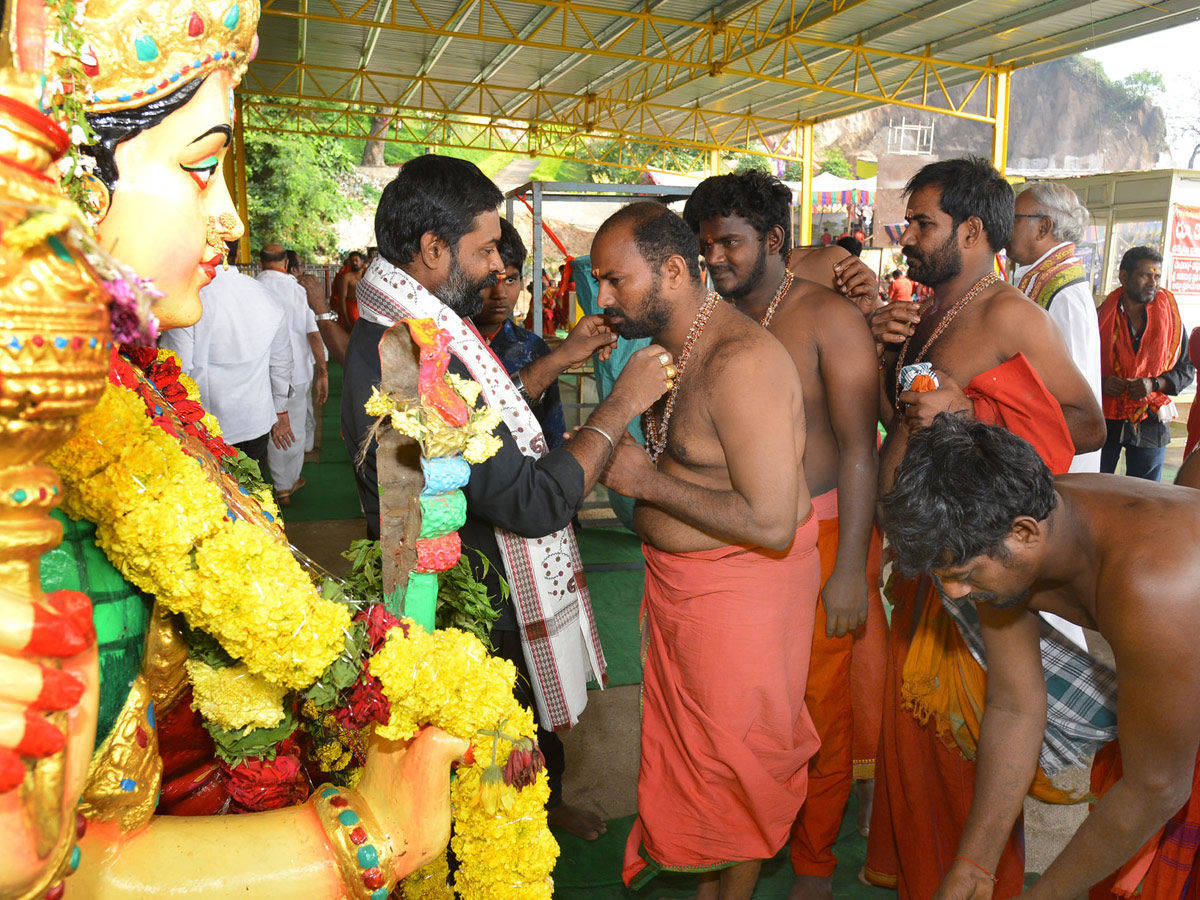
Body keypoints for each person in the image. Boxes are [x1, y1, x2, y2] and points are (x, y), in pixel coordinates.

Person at [341, 154, 671, 841]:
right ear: (432, 251)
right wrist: (619, 407)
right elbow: (532, 502)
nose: (498, 267)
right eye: (485, 249)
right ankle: (512, 838)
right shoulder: (408, 358)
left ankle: (537, 810)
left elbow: (480, 426)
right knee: (487, 761)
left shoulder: (406, 325)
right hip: (466, 600)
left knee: (514, 735)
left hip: (480, 584)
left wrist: (556, 362)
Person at [865, 156, 1106, 900]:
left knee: (964, 762)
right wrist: (883, 350)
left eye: (922, 223)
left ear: (972, 231)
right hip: (922, 562)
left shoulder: (1009, 314)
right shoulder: (931, 308)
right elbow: (900, 422)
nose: (907, 236)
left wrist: (973, 414)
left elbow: (1085, 425)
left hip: (975, 572)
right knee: (915, 763)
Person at [594, 201, 816, 900]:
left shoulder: (740, 362)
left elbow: (774, 521)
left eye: (613, 281)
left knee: (736, 762)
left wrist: (645, 481)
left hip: (742, 598)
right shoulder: (665, 355)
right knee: (704, 764)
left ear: (673, 271)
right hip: (683, 594)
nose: (602, 298)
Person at [885, 414, 1200, 900]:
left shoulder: (1152, 586)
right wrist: (975, 863)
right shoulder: (1011, 518)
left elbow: (1157, 788)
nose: (954, 591)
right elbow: (1015, 705)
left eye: (963, 573)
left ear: (1025, 533)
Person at [682, 170, 885, 900]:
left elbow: (861, 447)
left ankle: (814, 864)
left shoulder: (828, 316)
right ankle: (727, 850)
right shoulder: (707, 318)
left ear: (774, 240)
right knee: (736, 710)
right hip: (729, 538)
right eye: (706, 246)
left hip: (821, 534)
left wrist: (851, 571)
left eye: (730, 243)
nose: (716, 259)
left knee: (817, 710)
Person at [471, 219, 616, 452]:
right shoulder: (445, 341)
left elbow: (551, 433)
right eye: (489, 281)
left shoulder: (531, 348)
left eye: (511, 280)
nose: (500, 293)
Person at [159, 254, 294, 478]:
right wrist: (280, 408)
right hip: (255, 418)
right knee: (254, 495)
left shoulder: (188, 296)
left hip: (203, 422)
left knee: (213, 497)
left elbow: (176, 367)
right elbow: (281, 362)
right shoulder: (264, 295)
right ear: (238, 254)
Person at [1007, 182, 1102, 472]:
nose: (1005, 227)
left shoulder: (1065, 293)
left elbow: (1077, 404)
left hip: (1058, 464)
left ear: (1043, 227)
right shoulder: (1041, 279)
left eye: (1013, 219)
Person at [1098, 246, 1194, 481]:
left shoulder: (1172, 322)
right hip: (1105, 418)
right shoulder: (1099, 317)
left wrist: (1155, 384)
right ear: (1123, 277)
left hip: (1151, 421)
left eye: (1157, 276)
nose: (1153, 282)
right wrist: (1102, 383)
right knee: (1096, 486)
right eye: (1145, 275)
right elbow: (1079, 365)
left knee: (1145, 495)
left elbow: (1186, 371)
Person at [257, 243, 324, 503]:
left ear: (261, 263)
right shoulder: (298, 291)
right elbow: (314, 334)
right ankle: (286, 483)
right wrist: (323, 371)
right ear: (286, 263)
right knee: (292, 424)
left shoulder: (252, 288)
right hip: (296, 371)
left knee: (268, 424)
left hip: (259, 371)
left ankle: (276, 481)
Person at [287, 248, 346, 365]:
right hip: (299, 361)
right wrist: (323, 369)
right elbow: (314, 334)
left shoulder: (258, 286)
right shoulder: (303, 289)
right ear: (293, 269)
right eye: (302, 265)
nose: (304, 268)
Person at [331, 250, 366, 330]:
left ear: (362, 261)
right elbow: (342, 299)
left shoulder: (367, 274)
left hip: (365, 308)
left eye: (356, 260)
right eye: (352, 261)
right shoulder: (346, 277)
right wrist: (346, 319)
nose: (354, 263)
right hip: (352, 308)